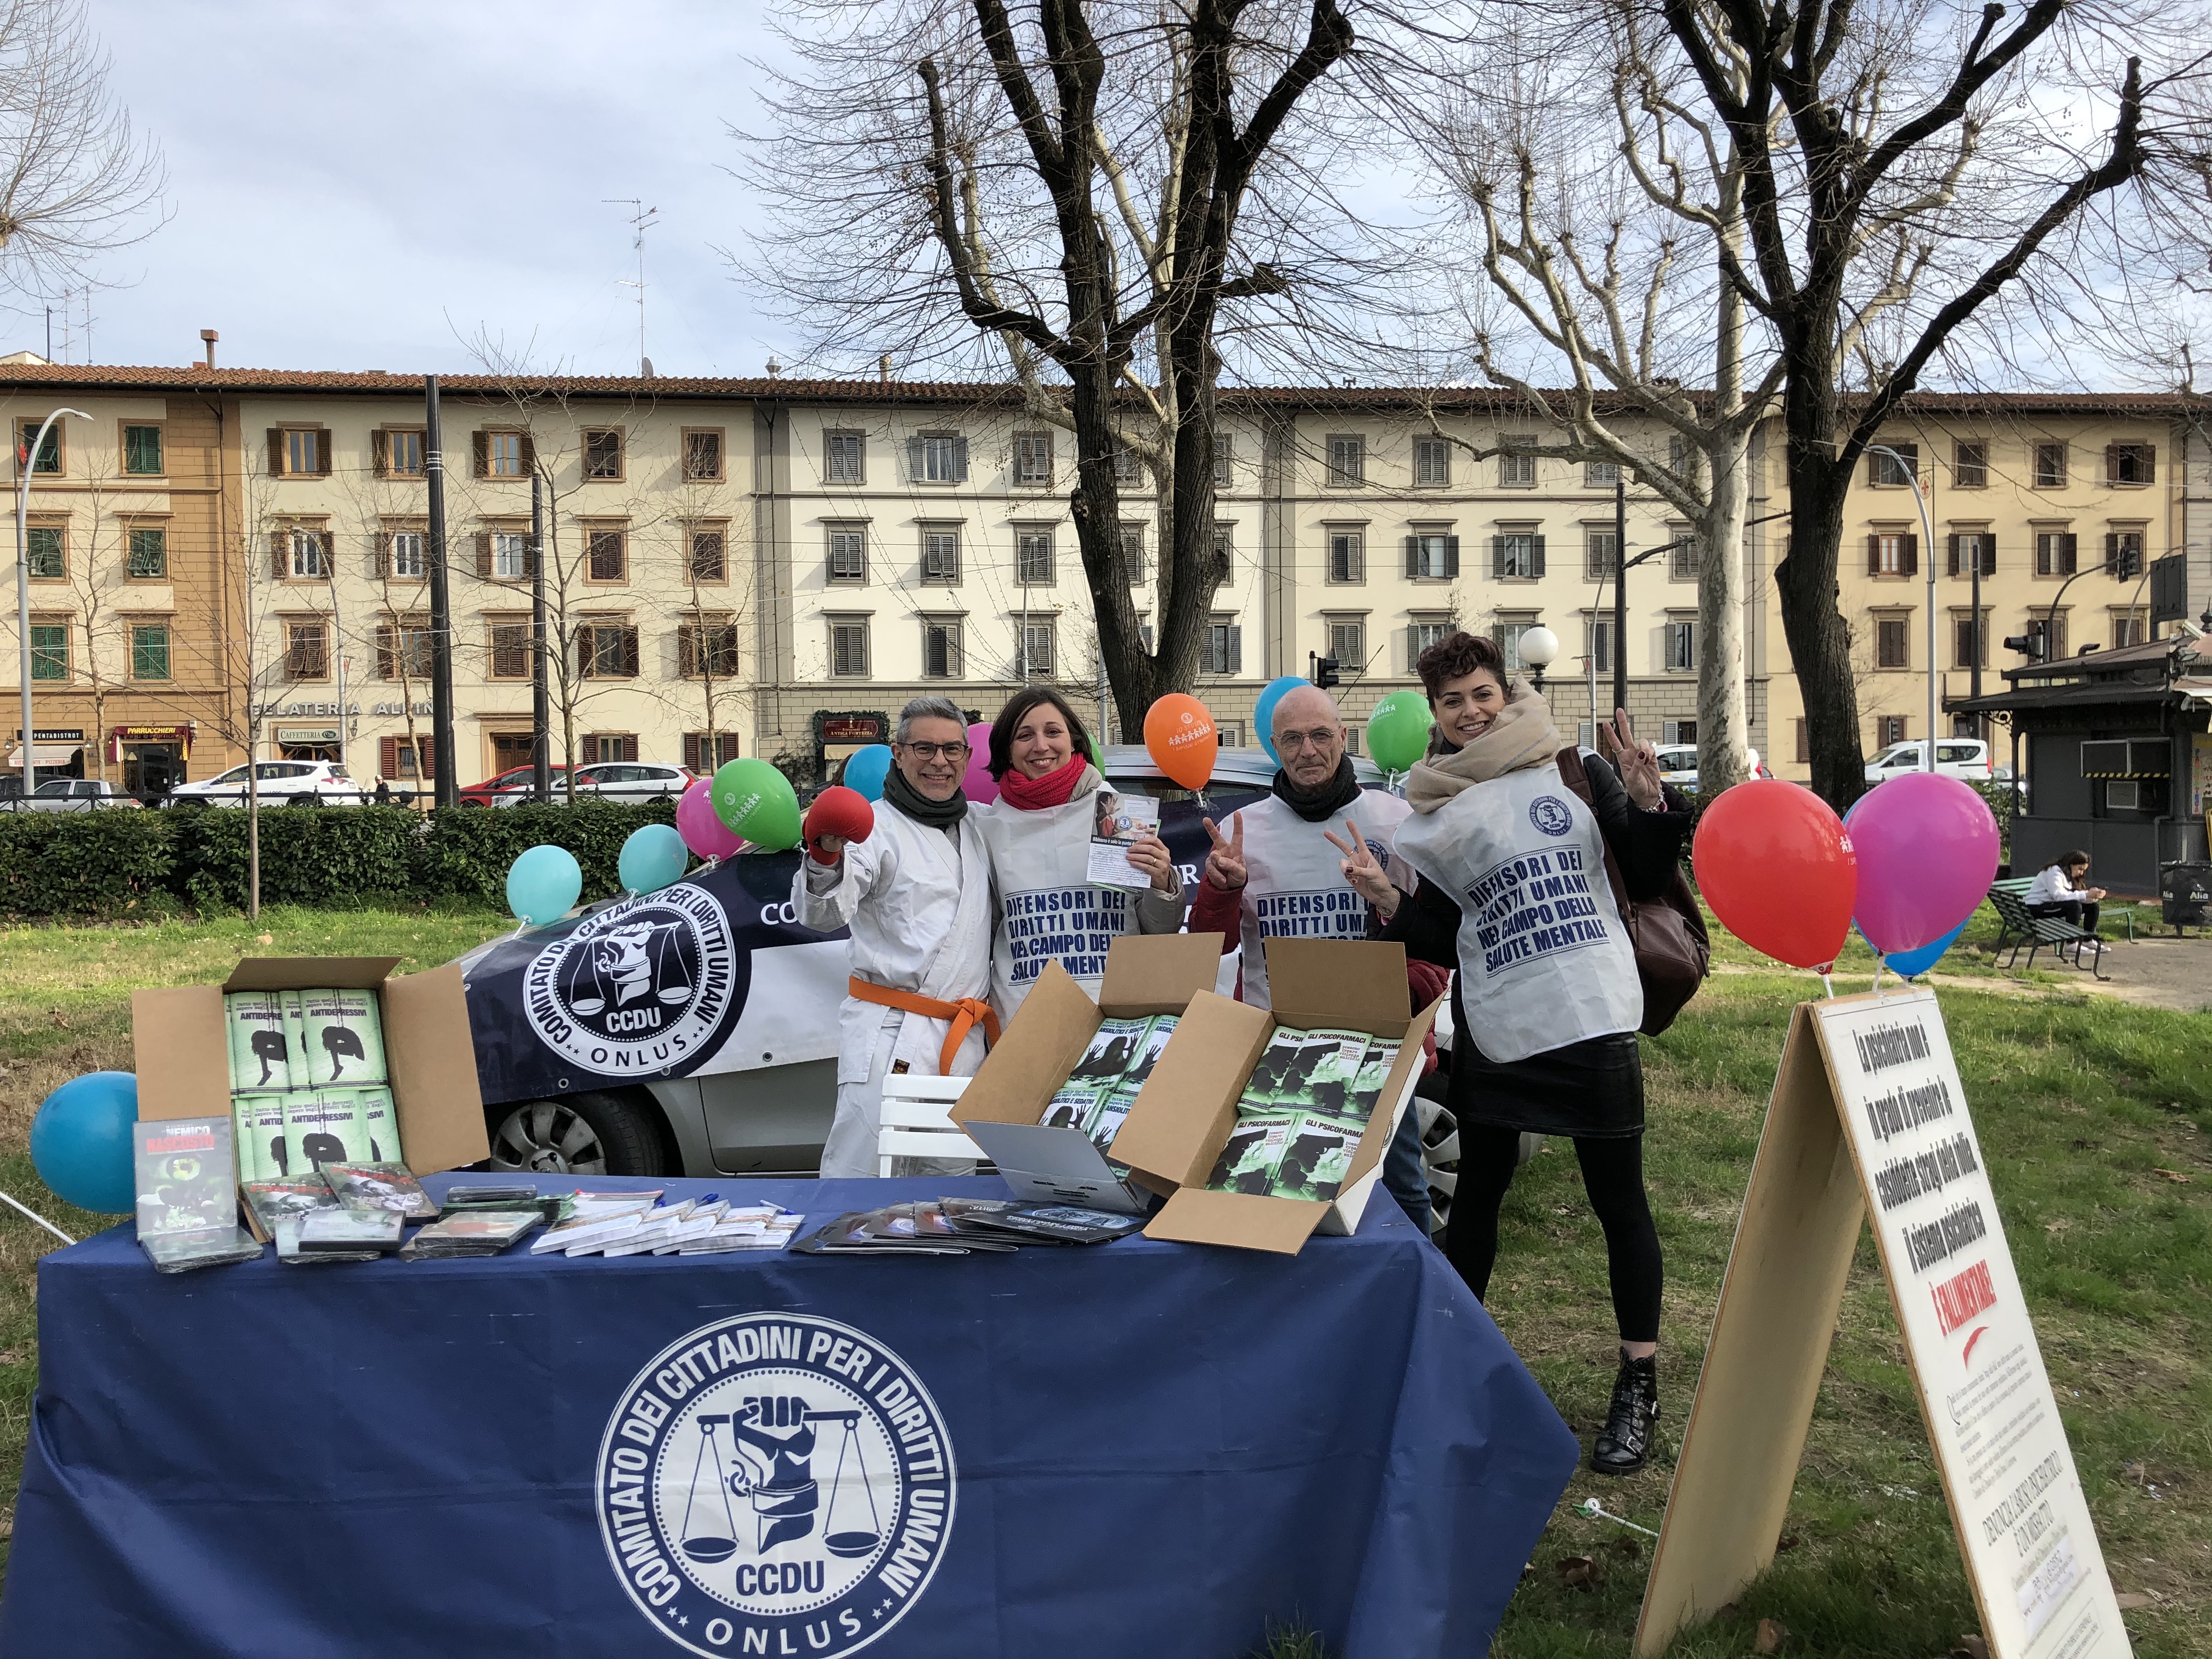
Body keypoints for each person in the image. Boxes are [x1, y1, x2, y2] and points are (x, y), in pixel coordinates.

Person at [1355, 630, 1693, 1476]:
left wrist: (1651, 802)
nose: (1471, 712)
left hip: (1590, 1017)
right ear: (1433, 715)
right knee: (1477, 1206)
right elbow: (1445, 927)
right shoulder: (1431, 810)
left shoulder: (1574, 769)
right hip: (1502, 1029)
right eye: (1452, 702)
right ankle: (1448, 1366)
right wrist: (1390, 900)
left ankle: (1638, 1383)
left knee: (1622, 1205)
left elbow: (1647, 877)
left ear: (1504, 692)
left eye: (1481, 694)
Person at [1187, 684, 1431, 1232]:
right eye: (1293, 739)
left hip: (1378, 1046)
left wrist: (1388, 901)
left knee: (1403, 1193)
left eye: (1321, 735)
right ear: (1275, 746)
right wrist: (1223, 891)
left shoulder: (1396, 822)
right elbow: (1211, 944)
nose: (1308, 750)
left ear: (1345, 737)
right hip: (1279, 1052)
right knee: (1283, 1195)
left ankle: (1421, 1303)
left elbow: (1434, 938)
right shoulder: (1241, 832)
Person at [793, 696, 994, 1178]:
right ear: (897, 753)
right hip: (889, 1032)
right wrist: (825, 854)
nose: (939, 761)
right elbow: (822, 914)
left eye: (952, 750)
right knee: (863, 1185)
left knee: (950, 1195)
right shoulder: (872, 827)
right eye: (924, 748)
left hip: (961, 1039)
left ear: (967, 758)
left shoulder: (983, 826)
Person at [974, 686, 1182, 1022]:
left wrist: (1162, 884)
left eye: (1053, 732)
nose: (1041, 746)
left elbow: (1161, 935)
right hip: (1024, 1023)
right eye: (1025, 735)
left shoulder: (1116, 812)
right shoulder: (987, 827)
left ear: (1074, 740)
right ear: (1006, 751)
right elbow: (977, 939)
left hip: (1115, 1018)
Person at [2027, 850, 2105, 938]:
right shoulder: (2054, 872)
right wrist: (2086, 894)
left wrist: (2092, 896)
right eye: (2080, 869)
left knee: (2093, 907)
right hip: (2036, 908)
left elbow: (2071, 895)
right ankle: (2071, 943)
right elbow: (2059, 896)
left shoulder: (2067, 875)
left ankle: (2089, 940)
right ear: (2071, 865)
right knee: (2074, 906)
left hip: (2049, 905)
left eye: (2084, 871)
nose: (2082, 873)